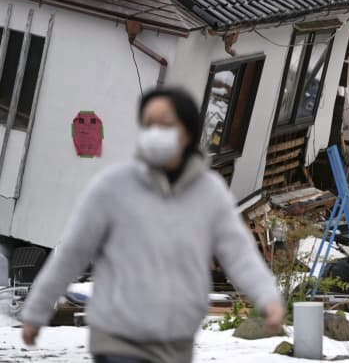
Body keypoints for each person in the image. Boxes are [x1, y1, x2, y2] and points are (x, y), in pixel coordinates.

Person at [20, 87, 284, 363]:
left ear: (189, 131)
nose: (156, 133)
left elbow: (239, 255)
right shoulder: (113, 187)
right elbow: (72, 253)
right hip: (117, 332)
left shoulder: (209, 193)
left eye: (165, 124)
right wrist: (37, 309)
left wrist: (267, 297)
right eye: (149, 125)